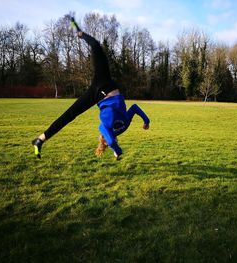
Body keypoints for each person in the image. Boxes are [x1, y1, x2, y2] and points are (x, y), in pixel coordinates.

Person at [32, 17, 150, 160]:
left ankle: (40, 139)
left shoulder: (107, 128)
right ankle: (80, 33)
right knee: (95, 46)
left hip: (98, 92)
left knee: (69, 114)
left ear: (105, 139)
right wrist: (145, 123)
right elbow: (134, 109)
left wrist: (117, 149)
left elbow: (112, 138)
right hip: (104, 83)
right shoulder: (122, 127)